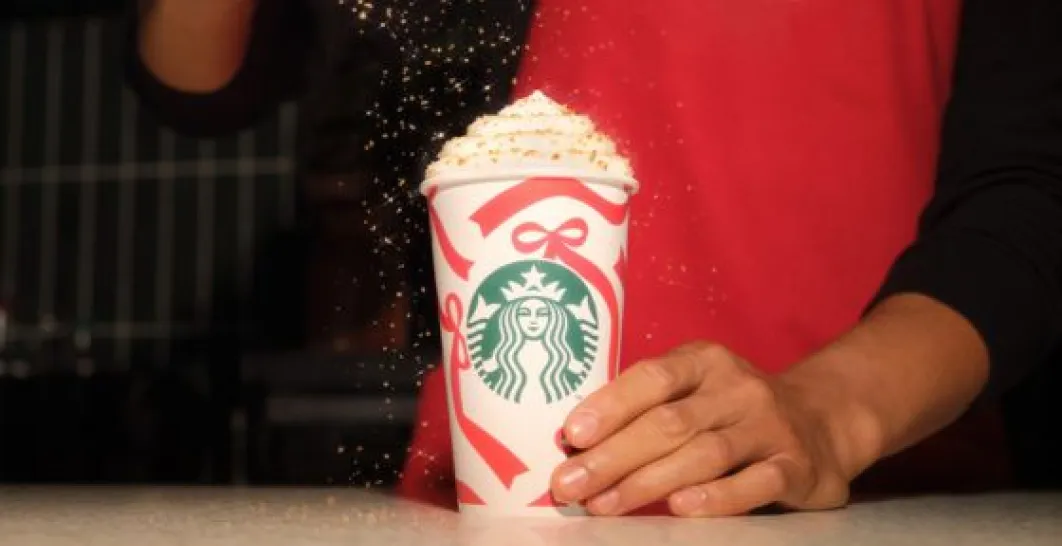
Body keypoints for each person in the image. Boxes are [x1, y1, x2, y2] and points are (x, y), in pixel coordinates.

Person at [128, 0, 1062, 516]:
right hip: (513, 486)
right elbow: (206, 80)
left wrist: (829, 413)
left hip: (876, 482)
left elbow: (1029, 197)